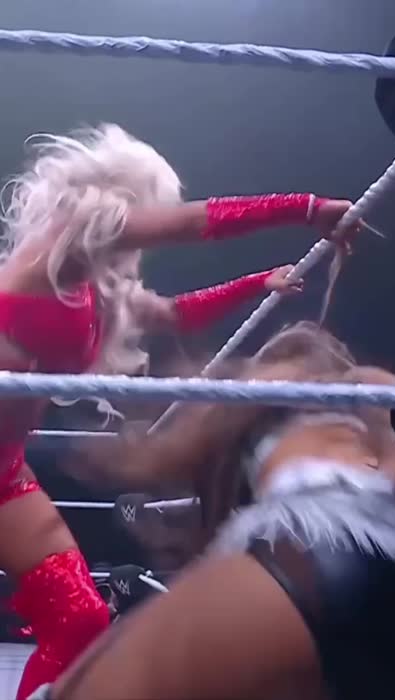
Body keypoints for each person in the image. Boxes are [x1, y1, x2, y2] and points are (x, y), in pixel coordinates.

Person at [0, 123, 356, 700]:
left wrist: (257, 283)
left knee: (79, 619)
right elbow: (193, 223)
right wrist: (308, 208)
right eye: (146, 209)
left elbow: (173, 314)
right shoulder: (65, 236)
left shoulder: (94, 288)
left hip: (5, 474)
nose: (144, 227)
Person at [39, 323, 395, 700]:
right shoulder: (380, 393)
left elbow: (216, 504)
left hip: (319, 534)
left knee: (87, 686)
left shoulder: (264, 393)